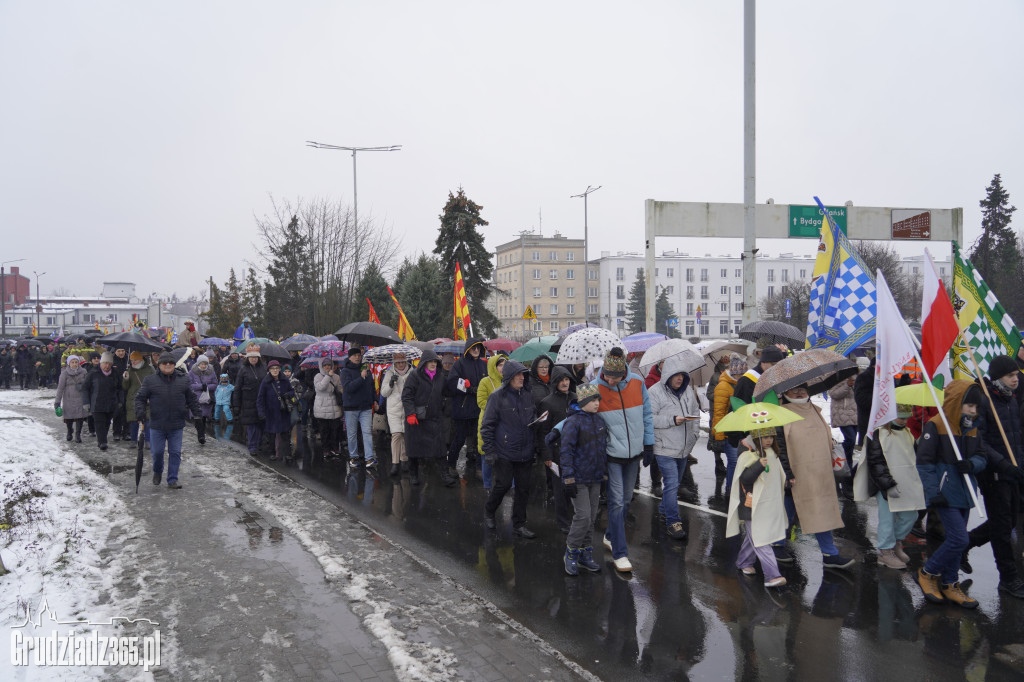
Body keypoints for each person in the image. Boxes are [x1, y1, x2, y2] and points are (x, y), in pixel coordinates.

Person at [916, 380, 1023, 607]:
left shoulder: (972, 428)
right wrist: (933, 491)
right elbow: (924, 463)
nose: (973, 411)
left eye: (976, 406)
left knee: (957, 537)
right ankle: (927, 573)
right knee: (959, 539)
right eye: (969, 406)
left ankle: (950, 583)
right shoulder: (936, 426)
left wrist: (971, 465)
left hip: (965, 492)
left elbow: (982, 456)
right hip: (945, 494)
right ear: (956, 403)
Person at [774, 384, 853, 569]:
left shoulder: (814, 410)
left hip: (818, 473)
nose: (800, 392)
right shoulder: (779, 413)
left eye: (803, 389)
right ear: (785, 392)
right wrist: (787, 472)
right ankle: (777, 545)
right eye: (794, 389)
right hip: (794, 475)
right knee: (787, 512)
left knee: (821, 510)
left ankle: (829, 553)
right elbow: (780, 447)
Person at [964, 355, 1024, 598]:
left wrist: (1019, 464)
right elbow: (980, 440)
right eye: (1010, 375)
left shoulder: (1011, 400)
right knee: (1001, 529)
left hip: (1012, 472)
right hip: (994, 475)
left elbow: (1015, 438)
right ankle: (1008, 578)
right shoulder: (985, 401)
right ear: (998, 377)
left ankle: (966, 543)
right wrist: (1003, 465)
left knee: (1009, 522)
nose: (1016, 378)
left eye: (1016, 374)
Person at [593, 346, 654, 573]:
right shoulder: (594, 387)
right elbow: (579, 415)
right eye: (607, 375)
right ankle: (620, 553)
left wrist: (648, 444)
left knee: (627, 500)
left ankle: (610, 535)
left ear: (624, 373)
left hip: (634, 454)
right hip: (611, 455)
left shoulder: (638, 383)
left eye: (614, 376)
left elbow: (647, 415)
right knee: (616, 502)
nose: (609, 380)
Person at [861, 406, 926, 570]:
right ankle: (884, 551)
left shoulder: (907, 433)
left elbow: (912, 457)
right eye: (900, 418)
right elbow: (876, 462)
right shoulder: (879, 434)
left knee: (911, 515)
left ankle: (896, 542)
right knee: (887, 521)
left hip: (907, 483)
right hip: (887, 486)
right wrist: (887, 485)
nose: (903, 421)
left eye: (906, 418)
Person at [482, 360, 538, 538]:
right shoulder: (497, 396)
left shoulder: (528, 394)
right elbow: (487, 425)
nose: (522, 377)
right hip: (505, 451)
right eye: (518, 374)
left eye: (524, 374)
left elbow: (532, 417)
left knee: (523, 489)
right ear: (509, 377)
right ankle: (489, 510)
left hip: (526, 450)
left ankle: (519, 524)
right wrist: (489, 450)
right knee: (503, 484)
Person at [648, 355, 702, 541]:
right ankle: (673, 522)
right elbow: (649, 418)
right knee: (671, 484)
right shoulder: (654, 392)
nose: (679, 378)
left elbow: (695, 413)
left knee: (675, 483)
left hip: (683, 447)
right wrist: (672, 420)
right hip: (664, 447)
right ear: (667, 375)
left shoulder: (687, 391)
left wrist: (694, 435)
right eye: (676, 374)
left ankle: (664, 509)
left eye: (682, 375)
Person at [726, 428, 788, 588]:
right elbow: (744, 480)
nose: (768, 440)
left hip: (766, 504)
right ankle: (772, 575)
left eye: (771, 437)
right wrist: (758, 466)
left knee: (753, 537)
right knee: (761, 540)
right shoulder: (747, 456)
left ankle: (743, 561)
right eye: (764, 437)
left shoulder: (771, 454)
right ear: (755, 438)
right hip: (751, 505)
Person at [558, 384, 607, 576]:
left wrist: (603, 472)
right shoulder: (573, 422)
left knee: (591, 517)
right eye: (593, 401)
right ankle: (570, 552)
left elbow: (602, 449)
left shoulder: (599, 420)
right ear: (584, 402)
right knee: (583, 516)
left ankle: (585, 553)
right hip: (577, 478)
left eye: (598, 400)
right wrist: (568, 477)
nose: (597, 404)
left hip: (594, 477)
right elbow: (566, 451)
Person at [135, 351, 202, 489]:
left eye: (170, 363)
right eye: (164, 363)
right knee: (158, 452)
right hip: (157, 424)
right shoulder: (150, 381)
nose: (167, 365)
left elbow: (192, 399)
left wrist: (197, 414)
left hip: (176, 424)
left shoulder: (183, 379)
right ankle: (157, 471)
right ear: (159, 365)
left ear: (174, 365)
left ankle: (172, 479)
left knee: (175, 452)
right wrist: (140, 412)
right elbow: (140, 398)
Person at [536, 365, 576, 533]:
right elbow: (542, 431)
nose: (565, 383)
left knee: (574, 488)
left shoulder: (576, 398)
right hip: (557, 453)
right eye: (561, 380)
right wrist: (547, 455)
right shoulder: (547, 402)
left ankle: (575, 518)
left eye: (567, 379)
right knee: (560, 490)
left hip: (575, 452)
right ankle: (563, 522)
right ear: (555, 382)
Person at [445, 338, 488, 485]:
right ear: (468, 349)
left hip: (478, 409)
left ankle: (479, 468)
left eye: (478, 348)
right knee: (459, 439)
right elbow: (451, 381)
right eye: (473, 348)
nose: (476, 350)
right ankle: (451, 465)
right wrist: (467, 387)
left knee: (478, 440)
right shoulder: (459, 364)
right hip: (463, 409)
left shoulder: (483, 365)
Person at [402, 349, 446, 486]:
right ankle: (413, 475)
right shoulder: (415, 375)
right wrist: (410, 413)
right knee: (414, 449)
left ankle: (445, 475)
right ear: (424, 363)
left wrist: (461, 385)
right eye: (430, 361)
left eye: (435, 362)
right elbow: (406, 395)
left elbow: (447, 390)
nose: (433, 364)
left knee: (439, 448)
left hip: (433, 418)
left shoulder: (440, 376)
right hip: (417, 418)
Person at [712, 354, 747, 486]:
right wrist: (719, 436)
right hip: (728, 431)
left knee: (740, 461)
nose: (743, 376)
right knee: (733, 462)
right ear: (734, 373)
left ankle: (736, 491)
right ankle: (730, 491)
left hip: (740, 429)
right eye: (740, 374)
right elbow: (719, 413)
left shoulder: (742, 384)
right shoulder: (723, 386)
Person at [340, 346, 377, 469]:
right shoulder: (345, 371)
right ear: (349, 357)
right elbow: (349, 388)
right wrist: (361, 378)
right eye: (354, 355)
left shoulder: (365, 368)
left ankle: (369, 458)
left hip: (365, 406)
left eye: (359, 355)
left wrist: (375, 400)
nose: (357, 357)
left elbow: (371, 386)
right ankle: (353, 457)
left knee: (367, 432)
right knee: (352, 434)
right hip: (351, 407)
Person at [475, 354, 507, 491]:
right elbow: (481, 401)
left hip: (506, 423)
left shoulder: (509, 381)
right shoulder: (485, 382)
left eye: (505, 365)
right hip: (488, 422)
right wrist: (497, 408)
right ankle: (487, 485)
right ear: (494, 366)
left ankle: (508, 485)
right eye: (500, 365)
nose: (502, 368)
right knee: (486, 456)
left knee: (506, 457)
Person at [379, 353, 412, 478]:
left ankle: (404, 460)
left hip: (407, 407)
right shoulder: (389, 373)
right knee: (396, 434)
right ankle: (395, 463)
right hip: (393, 409)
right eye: (398, 362)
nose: (401, 364)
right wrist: (391, 383)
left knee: (405, 434)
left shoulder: (412, 372)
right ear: (395, 363)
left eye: (403, 361)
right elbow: (384, 392)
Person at [256, 360, 296, 462]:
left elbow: (292, 391)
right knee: (271, 434)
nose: (275, 370)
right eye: (272, 368)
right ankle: (272, 453)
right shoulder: (266, 381)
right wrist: (261, 412)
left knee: (285, 433)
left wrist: (288, 395)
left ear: (279, 369)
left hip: (283, 412)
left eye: (277, 368)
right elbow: (260, 398)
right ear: (269, 370)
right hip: (270, 412)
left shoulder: (284, 379)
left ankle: (287, 453)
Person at [83, 351, 123, 451]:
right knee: (99, 423)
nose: (107, 366)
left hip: (111, 403)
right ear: (101, 363)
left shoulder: (115, 374)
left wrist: (120, 401)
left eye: (109, 363)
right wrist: (86, 402)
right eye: (105, 363)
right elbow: (85, 388)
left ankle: (102, 439)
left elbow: (120, 388)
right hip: (97, 403)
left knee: (107, 423)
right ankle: (102, 442)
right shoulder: (93, 373)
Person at [233, 345, 267, 456]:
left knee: (261, 423)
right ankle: (252, 445)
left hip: (261, 400)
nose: (253, 359)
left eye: (255, 357)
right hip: (248, 401)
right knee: (252, 424)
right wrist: (236, 405)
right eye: (251, 357)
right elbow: (237, 387)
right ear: (248, 358)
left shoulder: (263, 368)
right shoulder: (243, 369)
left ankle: (260, 443)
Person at [312, 358, 343, 459]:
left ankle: (335, 448)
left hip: (334, 406)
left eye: (329, 365)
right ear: (322, 366)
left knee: (335, 429)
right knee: (324, 430)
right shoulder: (317, 376)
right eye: (325, 365)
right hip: (322, 407)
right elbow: (320, 388)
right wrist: (328, 376)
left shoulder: (337, 376)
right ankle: (326, 449)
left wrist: (340, 391)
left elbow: (339, 388)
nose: (327, 367)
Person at [123, 351, 155, 444]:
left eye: (135, 360)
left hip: (147, 398)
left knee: (148, 420)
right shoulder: (129, 370)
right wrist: (125, 379)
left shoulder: (150, 369)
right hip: (133, 398)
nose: (133, 362)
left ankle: (148, 441)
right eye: (132, 360)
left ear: (140, 360)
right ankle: (133, 440)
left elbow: (155, 382)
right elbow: (125, 387)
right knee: (134, 420)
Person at [55, 355, 89, 442]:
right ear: (69, 363)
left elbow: (88, 385)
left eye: (76, 362)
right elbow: (60, 388)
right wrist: (57, 402)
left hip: (80, 398)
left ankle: (78, 434)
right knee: (69, 418)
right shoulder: (64, 374)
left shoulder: (83, 372)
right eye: (72, 362)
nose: (74, 364)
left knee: (80, 417)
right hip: (68, 398)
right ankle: (69, 431)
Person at [188, 354, 217, 445]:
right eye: (202, 364)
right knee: (197, 417)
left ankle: (202, 436)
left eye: (205, 364)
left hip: (206, 398)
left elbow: (215, 383)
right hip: (196, 398)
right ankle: (200, 434)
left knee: (203, 418)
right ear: (198, 364)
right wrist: (201, 386)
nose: (204, 366)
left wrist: (207, 387)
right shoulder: (192, 372)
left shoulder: (211, 371)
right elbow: (189, 385)